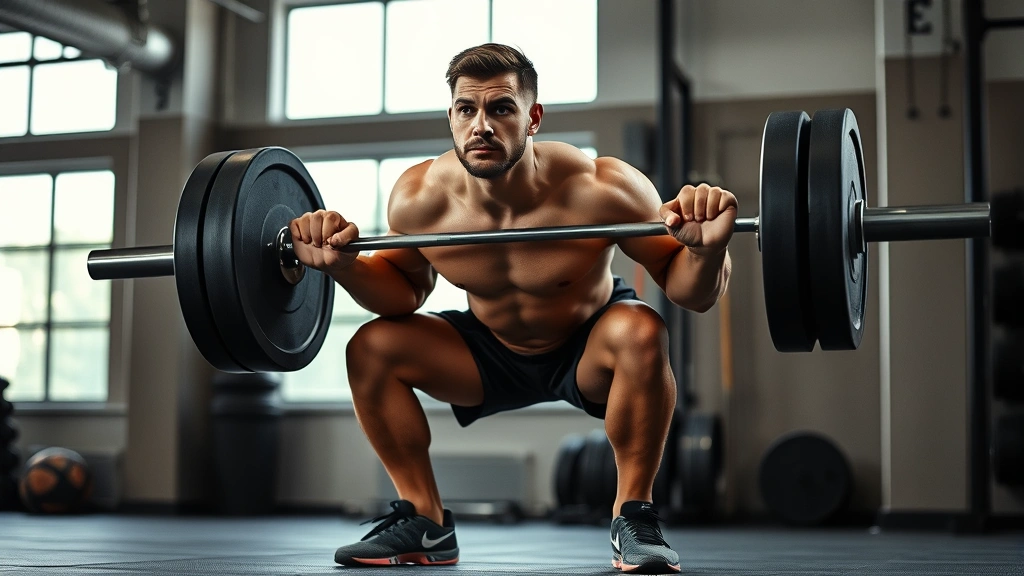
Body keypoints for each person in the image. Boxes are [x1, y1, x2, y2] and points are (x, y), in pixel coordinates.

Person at [290, 43, 735, 573]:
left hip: (587, 348)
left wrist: (707, 252)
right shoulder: (420, 199)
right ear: (451, 118)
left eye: (501, 108)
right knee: (370, 346)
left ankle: (633, 518)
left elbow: (691, 293)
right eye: (466, 109)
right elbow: (404, 294)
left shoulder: (601, 187)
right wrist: (344, 266)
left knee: (642, 327)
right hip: (490, 352)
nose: (481, 125)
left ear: (533, 118)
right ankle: (426, 520)